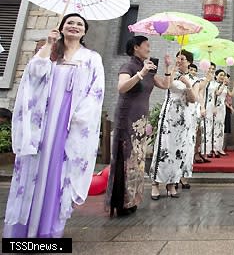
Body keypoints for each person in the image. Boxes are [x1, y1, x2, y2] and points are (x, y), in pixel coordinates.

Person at [3, 14, 105, 238]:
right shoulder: (51, 53)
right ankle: (22, 232)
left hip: (69, 125)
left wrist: (78, 119)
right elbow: (33, 75)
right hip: (43, 122)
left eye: (79, 24)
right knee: (34, 170)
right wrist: (48, 45)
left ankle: (47, 231)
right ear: (61, 27)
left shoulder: (91, 58)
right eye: (70, 22)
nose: (74, 26)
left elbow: (95, 92)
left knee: (57, 172)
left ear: (85, 31)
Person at [105, 36, 172, 217]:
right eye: (146, 45)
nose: (149, 49)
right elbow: (122, 87)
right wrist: (140, 74)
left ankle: (132, 199)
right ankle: (121, 202)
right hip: (127, 118)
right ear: (136, 47)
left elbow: (166, 85)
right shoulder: (129, 67)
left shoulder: (149, 67)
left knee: (138, 160)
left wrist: (166, 67)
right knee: (126, 159)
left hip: (141, 120)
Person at [150, 49, 200, 199]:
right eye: (177, 58)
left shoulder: (194, 79)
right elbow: (165, 85)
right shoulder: (172, 73)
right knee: (163, 147)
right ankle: (155, 184)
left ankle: (171, 184)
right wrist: (167, 68)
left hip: (184, 119)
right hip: (169, 116)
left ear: (189, 62)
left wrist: (188, 85)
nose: (179, 61)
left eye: (182, 59)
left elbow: (193, 99)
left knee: (178, 151)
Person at [213, 69, 234, 156]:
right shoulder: (214, 85)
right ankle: (213, 148)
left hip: (222, 108)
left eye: (223, 75)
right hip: (216, 107)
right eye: (221, 75)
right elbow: (217, 94)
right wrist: (223, 84)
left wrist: (233, 86)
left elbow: (230, 95)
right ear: (216, 76)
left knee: (221, 128)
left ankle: (220, 148)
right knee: (215, 128)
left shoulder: (225, 86)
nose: (222, 77)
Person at [198, 63, 218, 158]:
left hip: (211, 106)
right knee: (203, 128)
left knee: (209, 129)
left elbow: (214, 95)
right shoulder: (202, 80)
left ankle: (208, 150)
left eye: (213, 69)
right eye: (209, 68)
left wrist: (214, 107)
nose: (211, 70)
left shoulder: (214, 83)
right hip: (204, 106)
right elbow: (200, 92)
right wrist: (202, 107)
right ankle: (201, 151)